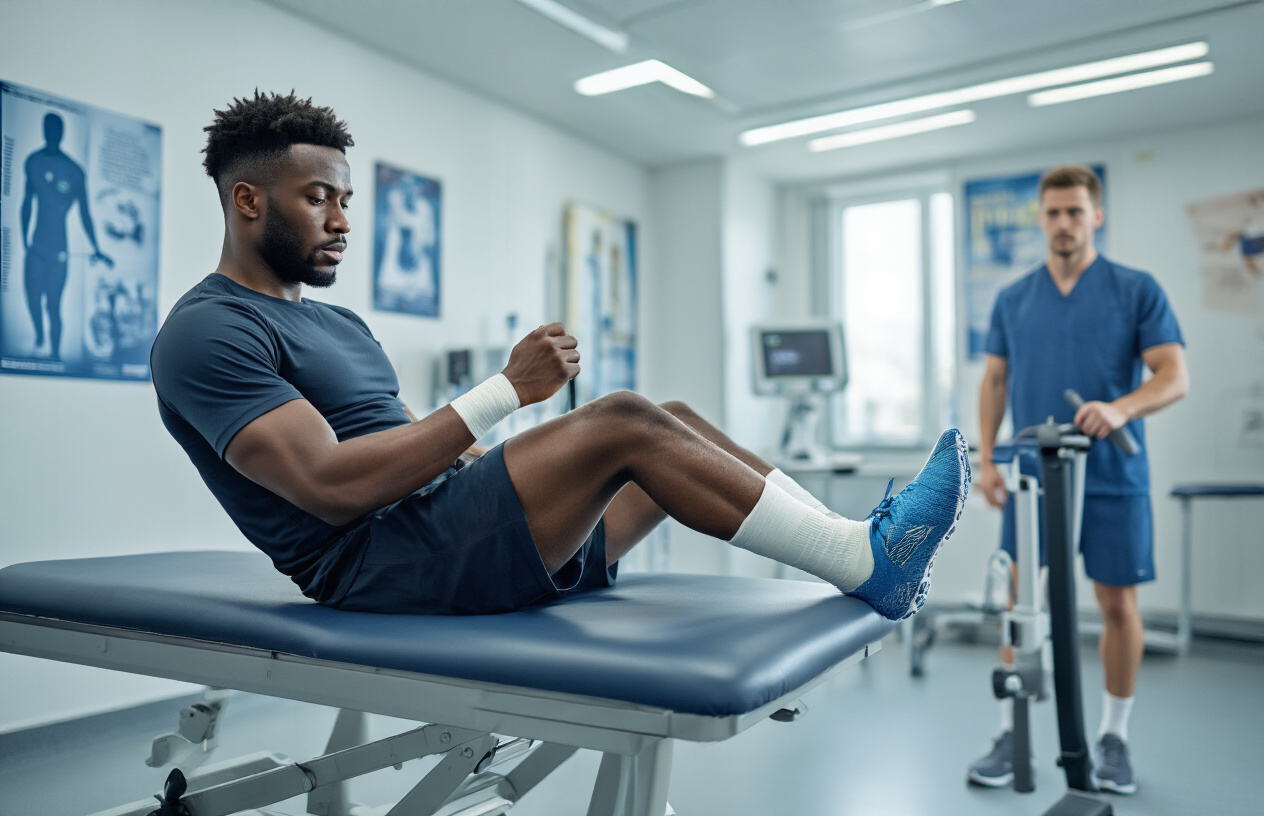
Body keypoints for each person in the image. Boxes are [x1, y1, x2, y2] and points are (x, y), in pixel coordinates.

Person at [149, 91, 969, 628]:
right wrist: (507, 391)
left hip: (450, 529)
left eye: (346, 199)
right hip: (380, 567)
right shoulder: (207, 332)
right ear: (246, 200)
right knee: (619, 423)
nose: (341, 220)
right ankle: (868, 561)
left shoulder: (341, 325)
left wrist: (500, 455)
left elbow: (400, 440)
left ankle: (853, 540)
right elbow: (331, 488)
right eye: (318, 198)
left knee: (667, 419)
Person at [967, 165, 1189, 794]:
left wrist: (1121, 407)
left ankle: (1113, 737)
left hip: (1113, 475)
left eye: (1075, 212)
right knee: (1021, 605)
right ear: (1040, 219)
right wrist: (988, 459)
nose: (1063, 223)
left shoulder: (1135, 289)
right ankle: (1011, 732)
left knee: (1117, 603)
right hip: (1034, 480)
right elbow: (995, 382)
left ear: (1097, 216)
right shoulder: (1013, 299)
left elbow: (1173, 375)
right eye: (1053, 212)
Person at [19, 111, 114, 361]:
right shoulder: (33, 162)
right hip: (36, 245)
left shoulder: (74, 171)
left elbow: (85, 214)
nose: (52, 134)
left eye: (56, 130)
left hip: (59, 250)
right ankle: (39, 336)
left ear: (61, 133)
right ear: (44, 131)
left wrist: (95, 247)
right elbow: (26, 202)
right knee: (32, 298)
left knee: (53, 304)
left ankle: (54, 354)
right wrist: (23, 240)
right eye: (48, 129)